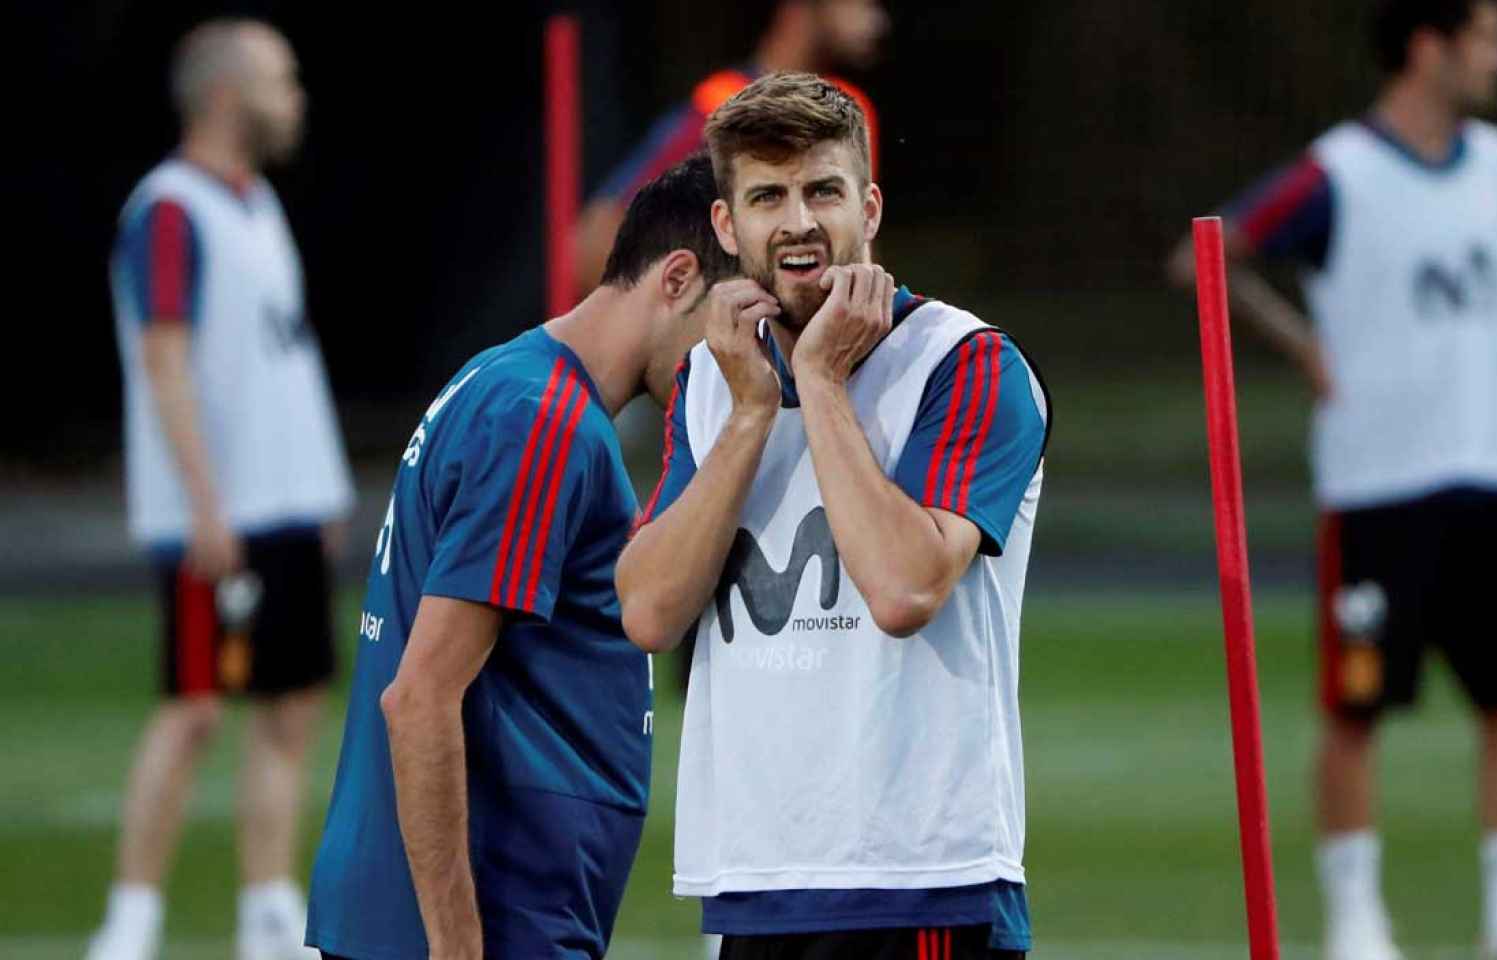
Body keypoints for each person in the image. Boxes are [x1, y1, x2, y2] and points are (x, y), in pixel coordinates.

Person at [1166, 2, 1497, 959]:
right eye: (1486, 36)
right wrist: (1304, 343)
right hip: (1379, 480)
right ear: (1430, 45)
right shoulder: (1338, 173)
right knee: (1355, 708)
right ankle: (1358, 921)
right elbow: (1206, 258)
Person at [619, 73, 1049, 960]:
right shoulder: (713, 379)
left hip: (921, 879)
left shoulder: (964, 365)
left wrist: (817, 381)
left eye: (824, 190)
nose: (800, 222)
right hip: (757, 879)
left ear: (871, 207)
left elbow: (902, 587)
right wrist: (749, 414)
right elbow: (651, 613)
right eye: (768, 197)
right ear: (728, 228)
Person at [303, 154, 739, 960]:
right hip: (493, 922)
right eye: (735, 319)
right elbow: (422, 696)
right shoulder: (544, 421)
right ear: (678, 278)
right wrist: (458, 945)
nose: (739, 354)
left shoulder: (512, 385)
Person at [93, 20, 354, 960]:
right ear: (227, 96)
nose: (296, 98)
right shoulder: (168, 210)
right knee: (196, 705)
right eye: (281, 80)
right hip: (218, 516)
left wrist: (318, 485)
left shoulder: (260, 208)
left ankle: (268, 915)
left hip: (284, 506)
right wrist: (201, 503)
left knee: (290, 708)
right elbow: (162, 359)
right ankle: (130, 921)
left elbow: (282, 357)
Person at [574, 0, 889, 296]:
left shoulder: (850, 112)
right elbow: (593, 242)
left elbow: (858, 249)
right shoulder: (720, 105)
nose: (877, 20)